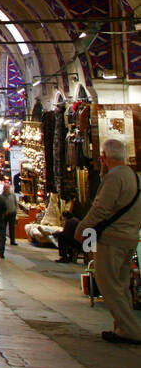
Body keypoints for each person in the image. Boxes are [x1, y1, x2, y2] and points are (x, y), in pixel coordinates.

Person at [75, 139, 141, 345]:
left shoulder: (115, 178)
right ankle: (122, 328)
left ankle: (130, 330)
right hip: (129, 237)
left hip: (112, 239)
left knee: (108, 285)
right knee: (121, 285)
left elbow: (100, 210)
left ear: (103, 157)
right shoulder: (135, 177)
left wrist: (82, 229)